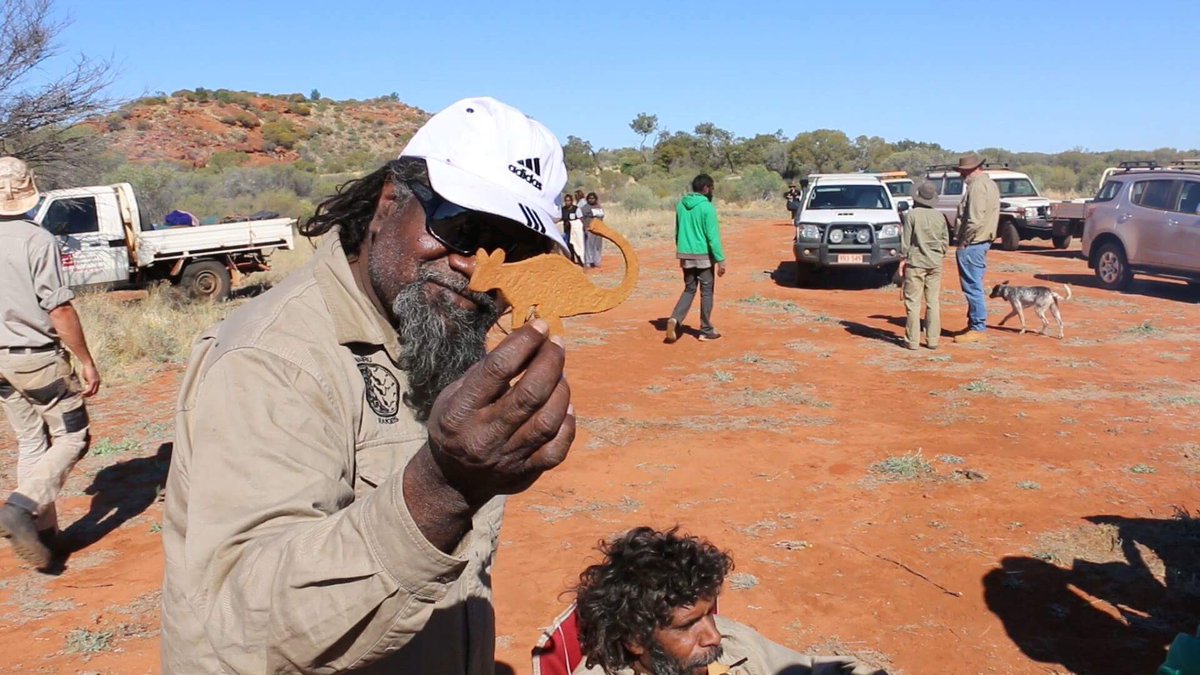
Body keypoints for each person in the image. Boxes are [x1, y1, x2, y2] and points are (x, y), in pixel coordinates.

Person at [161, 97, 576, 674]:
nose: (479, 268)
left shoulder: (440, 334)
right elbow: (242, 627)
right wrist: (442, 489)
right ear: (389, 204)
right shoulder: (275, 360)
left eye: (517, 249)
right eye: (462, 228)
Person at [572, 527, 886, 675]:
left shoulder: (734, 646)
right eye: (689, 625)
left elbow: (816, 670)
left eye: (708, 613)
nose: (714, 635)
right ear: (635, 638)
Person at [0, 156, 101, 570]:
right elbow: (59, 311)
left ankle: (45, 538)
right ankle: (21, 508)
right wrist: (86, 361)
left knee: (31, 441)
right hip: (35, 358)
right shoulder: (35, 239)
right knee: (74, 437)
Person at [665, 174, 725, 343]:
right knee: (706, 292)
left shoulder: (681, 206)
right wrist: (721, 260)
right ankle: (706, 329)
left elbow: (677, 232)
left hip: (685, 254)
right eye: (712, 188)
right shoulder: (707, 207)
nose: (712, 191)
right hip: (704, 256)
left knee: (689, 289)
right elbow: (712, 237)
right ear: (706, 188)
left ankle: (675, 319)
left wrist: (681, 251)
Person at [952, 153, 999, 344]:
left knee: (972, 287)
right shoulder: (988, 184)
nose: (962, 176)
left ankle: (978, 327)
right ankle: (974, 323)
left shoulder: (978, 187)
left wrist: (964, 241)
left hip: (973, 243)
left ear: (972, 170)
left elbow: (974, 219)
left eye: (963, 172)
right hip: (981, 242)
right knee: (974, 284)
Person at [898, 181, 949, 350]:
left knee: (913, 303)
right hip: (935, 263)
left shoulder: (912, 215)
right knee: (933, 301)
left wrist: (902, 260)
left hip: (916, 263)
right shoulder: (939, 216)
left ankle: (912, 340)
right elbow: (945, 241)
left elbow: (905, 243)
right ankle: (933, 339)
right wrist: (938, 254)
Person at [581, 191, 605, 268]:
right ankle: (588, 261)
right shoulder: (585, 208)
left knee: (597, 246)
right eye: (590, 198)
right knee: (589, 245)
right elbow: (582, 219)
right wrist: (585, 227)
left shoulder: (599, 207)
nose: (591, 200)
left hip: (599, 229)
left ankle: (597, 261)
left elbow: (601, 217)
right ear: (587, 199)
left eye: (593, 198)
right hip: (589, 229)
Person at [563, 193, 586, 265]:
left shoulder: (576, 209)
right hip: (567, 231)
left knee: (577, 246)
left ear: (571, 201)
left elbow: (581, 219)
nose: (567, 202)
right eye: (566, 201)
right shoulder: (563, 209)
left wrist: (583, 227)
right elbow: (560, 218)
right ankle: (571, 261)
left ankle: (580, 261)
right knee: (568, 247)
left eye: (569, 201)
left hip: (575, 231)